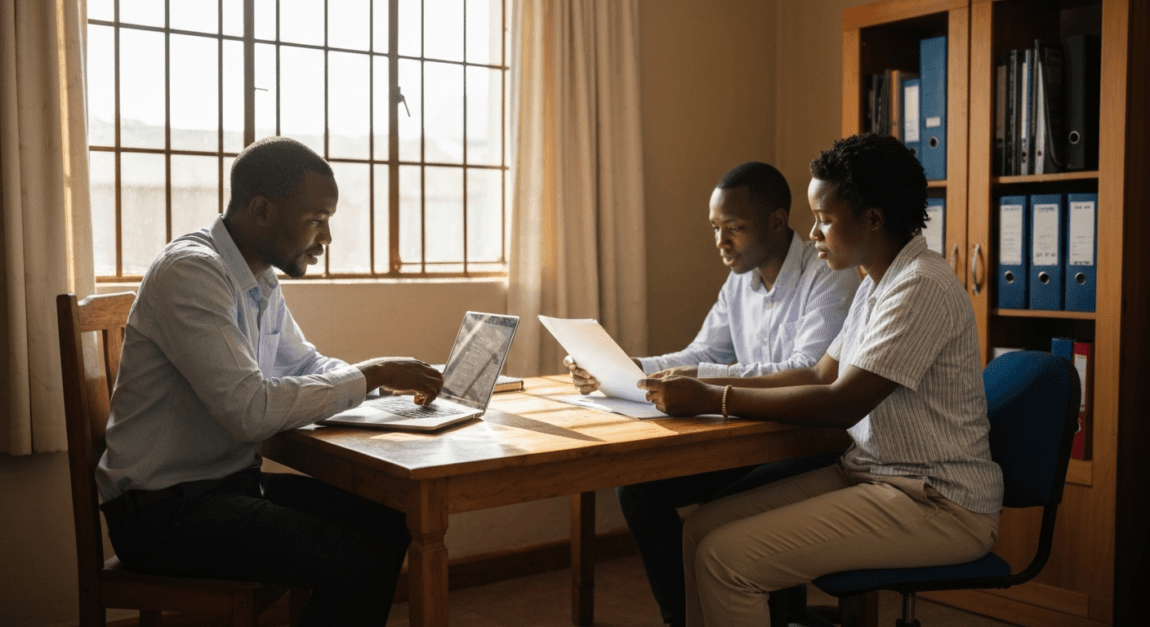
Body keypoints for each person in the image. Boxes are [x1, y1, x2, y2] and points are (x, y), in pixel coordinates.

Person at [639, 133, 1004, 627]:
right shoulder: (876, 282)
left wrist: (715, 396)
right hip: (872, 475)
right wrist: (702, 384)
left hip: (935, 500)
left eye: (825, 220)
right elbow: (816, 372)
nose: (812, 234)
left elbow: (841, 404)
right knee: (700, 531)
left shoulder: (920, 285)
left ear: (873, 218)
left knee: (727, 560)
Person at [96, 136, 444, 626]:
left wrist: (386, 387)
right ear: (262, 209)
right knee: (358, 564)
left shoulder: (257, 276)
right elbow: (249, 411)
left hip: (222, 489)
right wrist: (371, 375)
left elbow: (301, 365)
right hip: (164, 515)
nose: (326, 239)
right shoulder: (192, 272)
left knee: (391, 515)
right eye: (317, 220)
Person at [566, 162, 859, 627]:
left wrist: (700, 380)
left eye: (734, 228)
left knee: (723, 514)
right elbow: (703, 350)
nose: (721, 242)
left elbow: (806, 373)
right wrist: (625, 368)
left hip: (807, 443)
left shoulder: (828, 273)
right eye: (716, 228)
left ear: (778, 222)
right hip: (747, 437)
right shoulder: (740, 279)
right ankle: (682, 618)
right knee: (638, 490)